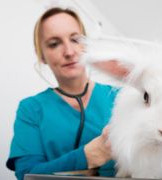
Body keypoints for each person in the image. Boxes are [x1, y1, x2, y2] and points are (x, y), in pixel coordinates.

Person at [6, 7, 119, 180]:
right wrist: (87, 156)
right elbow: (26, 174)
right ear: (42, 55)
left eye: (75, 39)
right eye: (54, 44)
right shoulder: (31, 109)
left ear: (86, 46)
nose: (69, 52)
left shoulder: (119, 97)